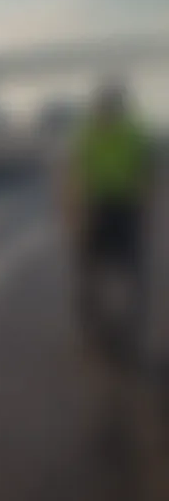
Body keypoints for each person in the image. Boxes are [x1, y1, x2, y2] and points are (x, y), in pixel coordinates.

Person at [63, 78, 156, 360]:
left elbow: (76, 177)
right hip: (120, 209)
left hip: (103, 209)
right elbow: (146, 176)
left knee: (95, 275)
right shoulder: (132, 133)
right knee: (127, 275)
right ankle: (115, 330)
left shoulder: (91, 134)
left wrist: (75, 212)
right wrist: (146, 211)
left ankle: (99, 332)